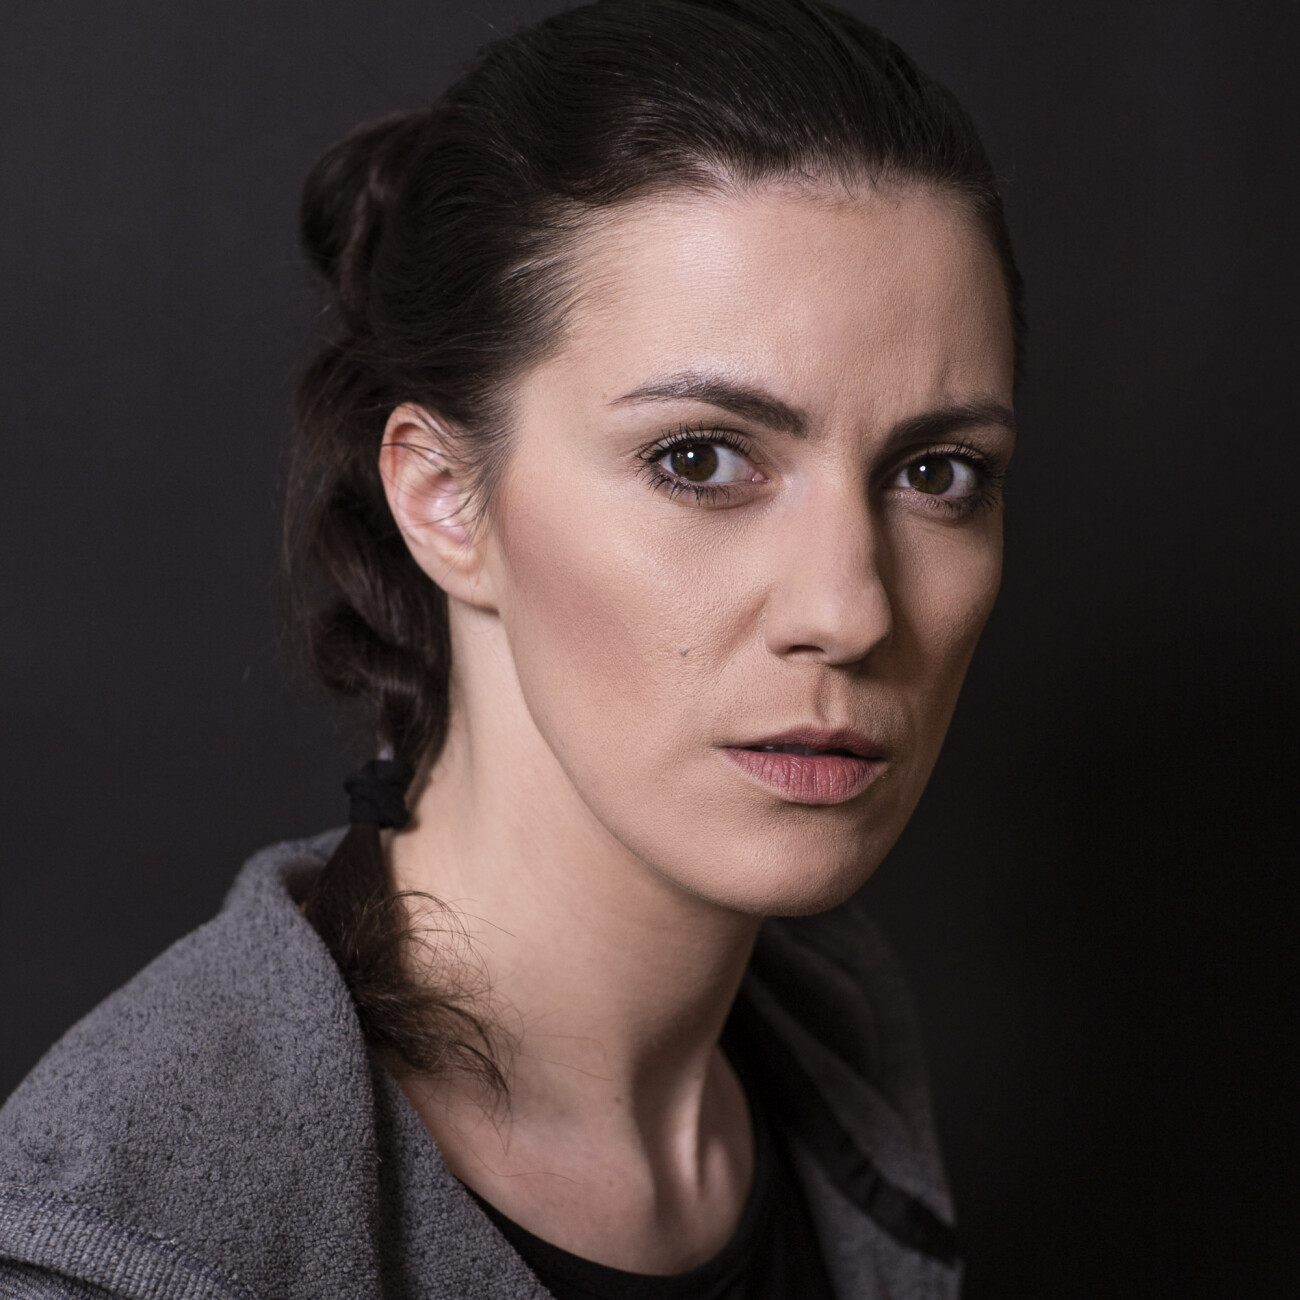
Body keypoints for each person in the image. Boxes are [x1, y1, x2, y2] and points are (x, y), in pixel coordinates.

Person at [0, 0, 1022, 1295]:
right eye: (700, 459)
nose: (852, 609)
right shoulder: (123, 1248)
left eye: (937, 472)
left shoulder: (836, 1056)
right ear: (445, 500)